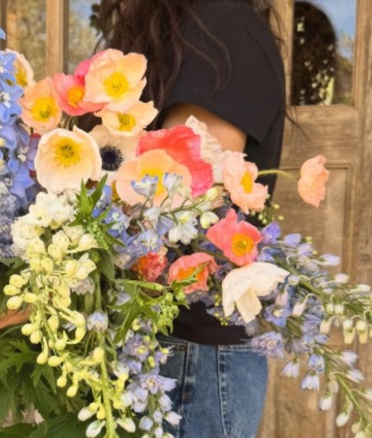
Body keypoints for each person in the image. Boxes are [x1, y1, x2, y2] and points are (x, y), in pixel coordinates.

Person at [94, 0, 286, 436]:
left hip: (187, 356)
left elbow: (183, 203)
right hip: (175, 351)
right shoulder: (192, 31)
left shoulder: (216, 30)